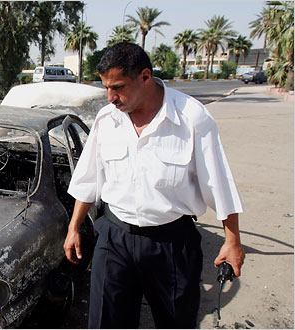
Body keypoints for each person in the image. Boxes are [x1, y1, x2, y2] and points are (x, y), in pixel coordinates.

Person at [63, 42, 245, 328]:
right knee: (106, 322)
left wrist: (232, 240)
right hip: (115, 237)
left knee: (176, 321)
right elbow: (89, 177)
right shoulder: (107, 119)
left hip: (171, 244)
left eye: (119, 87)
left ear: (145, 77)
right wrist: (74, 228)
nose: (111, 97)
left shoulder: (191, 118)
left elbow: (219, 183)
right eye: (106, 88)